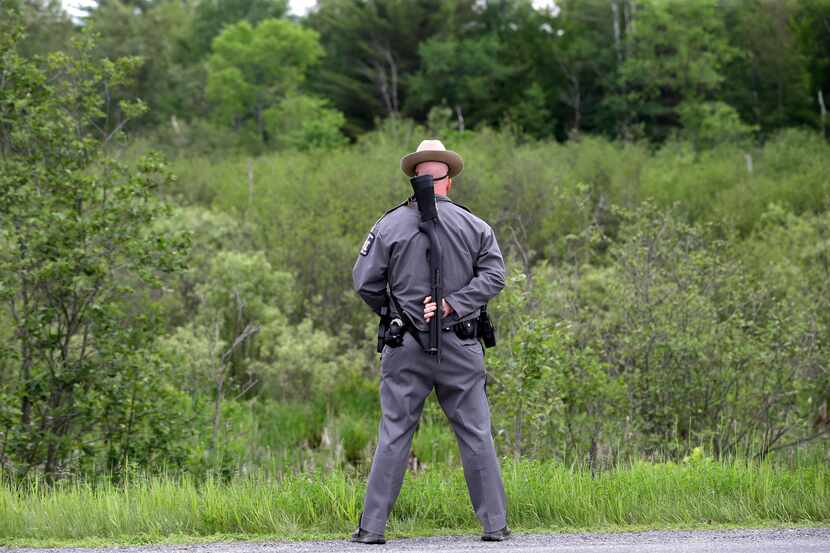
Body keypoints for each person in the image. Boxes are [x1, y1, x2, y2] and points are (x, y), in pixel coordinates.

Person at [350, 139, 511, 544]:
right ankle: (494, 526)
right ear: (449, 182)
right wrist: (453, 307)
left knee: (395, 433)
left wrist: (397, 314)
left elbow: (364, 282)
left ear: (414, 177)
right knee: (475, 433)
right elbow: (494, 277)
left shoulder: (387, 225)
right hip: (462, 345)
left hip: (405, 348)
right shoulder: (475, 226)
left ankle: (372, 530)